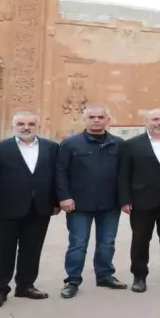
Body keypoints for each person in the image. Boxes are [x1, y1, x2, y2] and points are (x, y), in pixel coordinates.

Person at [0, 111, 60, 309]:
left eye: (31, 123)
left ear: (38, 125)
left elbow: (57, 177)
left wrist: (56, 202)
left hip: (39, 208)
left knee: (32, 249)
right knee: (3, 251)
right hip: (5, 210)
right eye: (21, 123)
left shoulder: (51, 148)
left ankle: (25, 285)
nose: (26, 127)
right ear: (13, 125)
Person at [56, 105, 127, 299]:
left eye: (101, 117)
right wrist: (64, 197)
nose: (96, 120)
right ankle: (72, 280)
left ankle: (105, 275)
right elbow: (61, 172)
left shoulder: (118, 144)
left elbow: (124, 174)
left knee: (107, 243)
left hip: (110, 204)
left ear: (108, 120)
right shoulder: (70, 144)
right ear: (85, 120)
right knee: (78, 243)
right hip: (79, 204)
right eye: (92, 117)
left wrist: (125, 200)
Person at [118, 109, 160, 293]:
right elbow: (124, 175)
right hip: (142, 200)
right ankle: (139, 276)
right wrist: (125, 200)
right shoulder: (131, 145)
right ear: (146, 122)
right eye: (155, 119)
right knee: (140, 239)